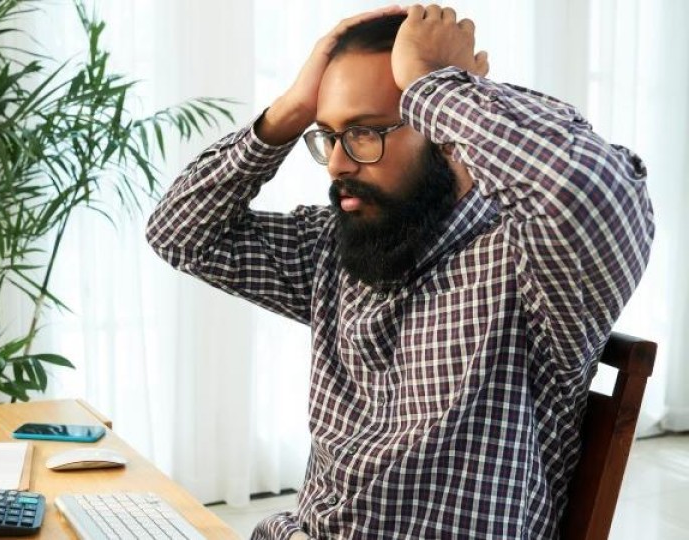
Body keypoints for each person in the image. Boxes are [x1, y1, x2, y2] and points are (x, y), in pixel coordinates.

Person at [146, 4, 654, 538]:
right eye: (327, 135)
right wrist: (286, 115)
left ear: (446, 133)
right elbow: (180, 234)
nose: (339, 163)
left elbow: (589, 192)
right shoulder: (338, 245)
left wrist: (438, 86)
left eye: (365, 133)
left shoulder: (534, 264)